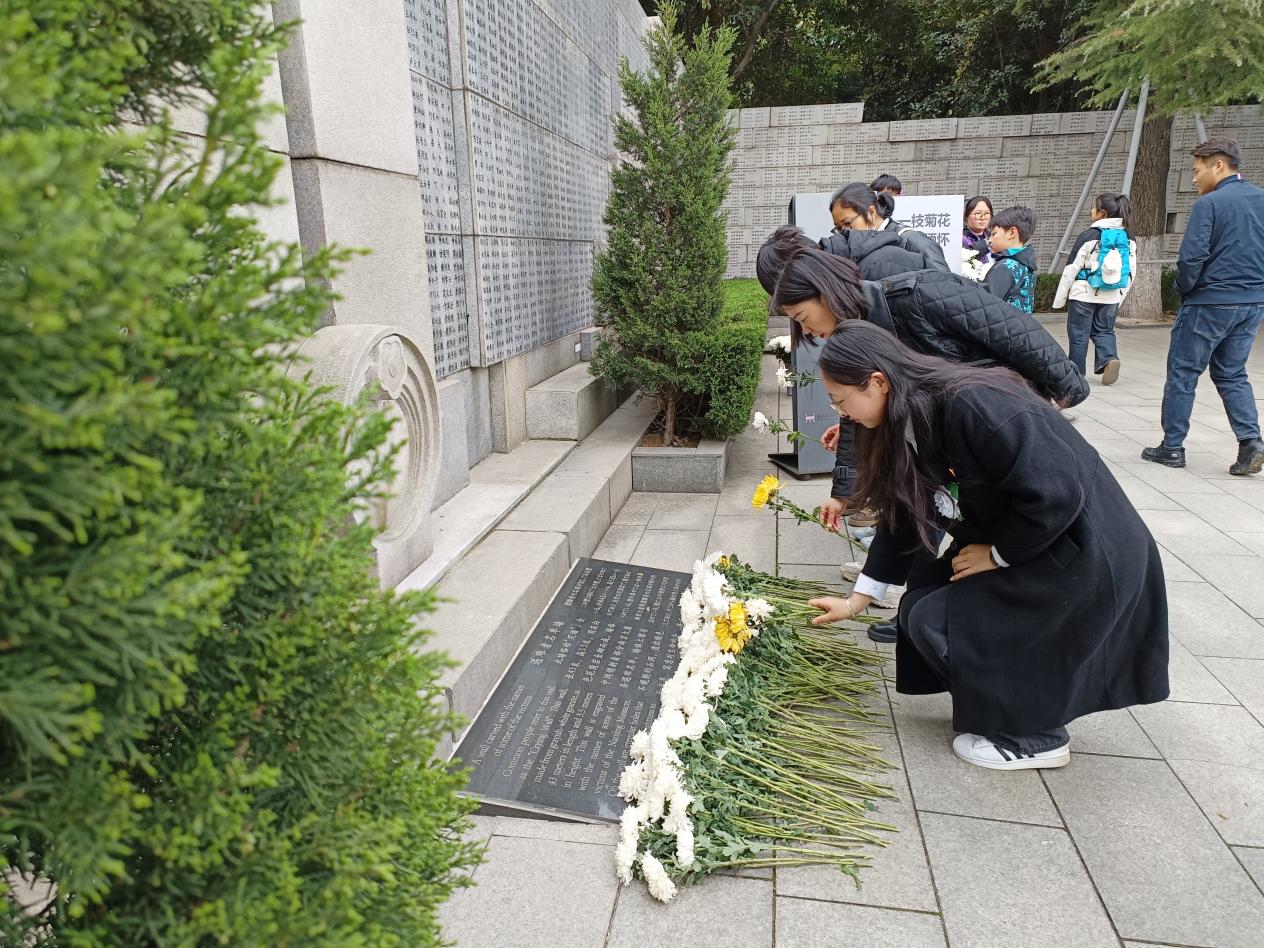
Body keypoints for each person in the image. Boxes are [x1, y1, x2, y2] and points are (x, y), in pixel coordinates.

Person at [805, 321, 1169, 770]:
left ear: (878, 382)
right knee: (920, 606)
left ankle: (1035, 735)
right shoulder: (911, 415)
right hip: (1036, 540)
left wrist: (999, 554)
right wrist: (857, 601)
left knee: (947, 619)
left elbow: (1055, 493)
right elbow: (906, 512)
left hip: (1083, 551)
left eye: (840, 400)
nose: (842, 413)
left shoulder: (973, 403)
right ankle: (1000, 706)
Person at [757, 227, 1090, 642]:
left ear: (823, 291)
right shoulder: (858, 342)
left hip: (1002, 432)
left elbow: (1014, 333)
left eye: (803, 319)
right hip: (959, 455)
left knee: (1000, 543)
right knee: (929, 524)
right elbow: (886, 459)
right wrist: (846, 495)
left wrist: (1062, 392)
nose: (808, 333)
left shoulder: (919, 295)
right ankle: (923, 614)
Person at [1142, 138, 1264, 476]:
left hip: (1209, 302)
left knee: (1183, 373)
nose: (1194, 178)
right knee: (1232, 372)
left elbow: (1192, 257)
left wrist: (1183, 289)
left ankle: (1172, 447)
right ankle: (1250, 442)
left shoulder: (1209, 204)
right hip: (1252, 303)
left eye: (1197, 171)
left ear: (1218, 165)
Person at [1053, 193, 1136, 385]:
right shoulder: (1128, 238)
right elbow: (1131, 271)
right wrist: (1120, 297)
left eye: (1094, 208)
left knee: (1078, 333)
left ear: (1102, 213)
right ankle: (1109, 358)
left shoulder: (1088, 236)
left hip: (1083, 293)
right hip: (1111, 294)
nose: (1091, 211)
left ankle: (1076, 373)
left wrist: (1060, 299)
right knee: (1105, 330)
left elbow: (1071, 269)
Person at [826, 182, 950, 273]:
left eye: (847, 223)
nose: (844, 233)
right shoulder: (855, 250)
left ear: (871, 212)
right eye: (839, 228)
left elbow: (945, 287)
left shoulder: (912, 241)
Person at [983, 206, 1038, 313]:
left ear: (1012, 232)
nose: (989, 240)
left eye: (994, 234)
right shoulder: (1027, 265)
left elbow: (986, 306)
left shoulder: (1006, 267)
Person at [962, 196, 993, 265]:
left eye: (987, 213)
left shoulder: (992, 236)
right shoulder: (960, 239)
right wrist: (987, 243)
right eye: (978, 213)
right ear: (966, 216)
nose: (983, 218)